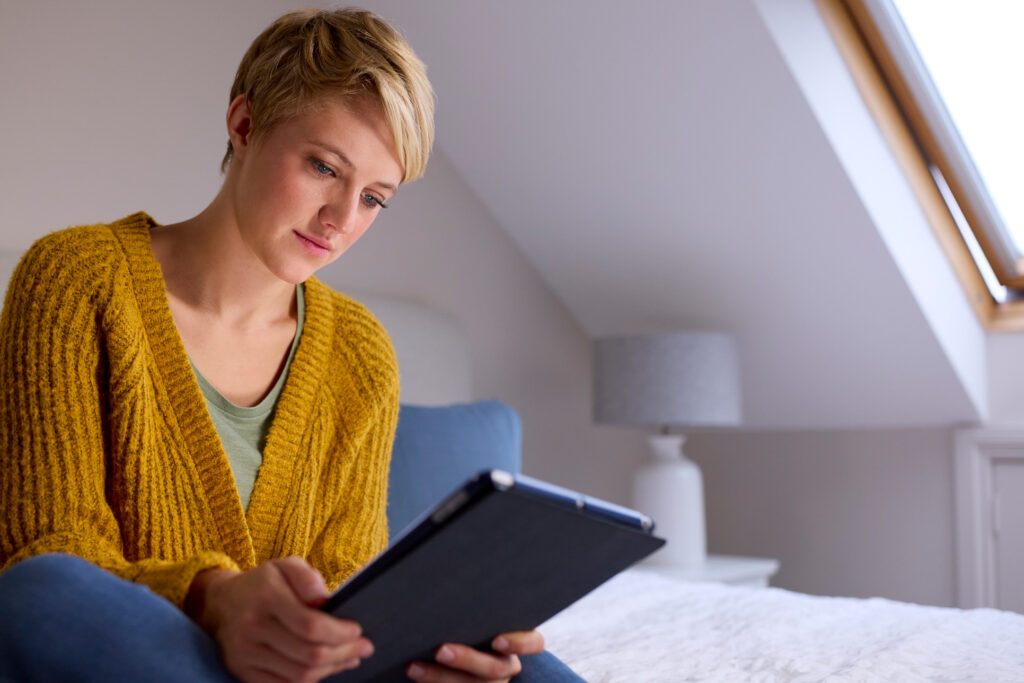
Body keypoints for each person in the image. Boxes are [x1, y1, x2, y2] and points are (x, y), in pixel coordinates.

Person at [0, 8, 583, 683]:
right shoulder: (76, 278)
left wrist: (434, 640)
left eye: (374, 198)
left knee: (519, 669)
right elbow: (45, 552)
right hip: (149, 654)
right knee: (39, 591)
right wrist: (213, 599)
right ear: (244, 125)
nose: (341, 219)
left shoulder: (361, 352)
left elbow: (350, 588)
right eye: (322, 166)